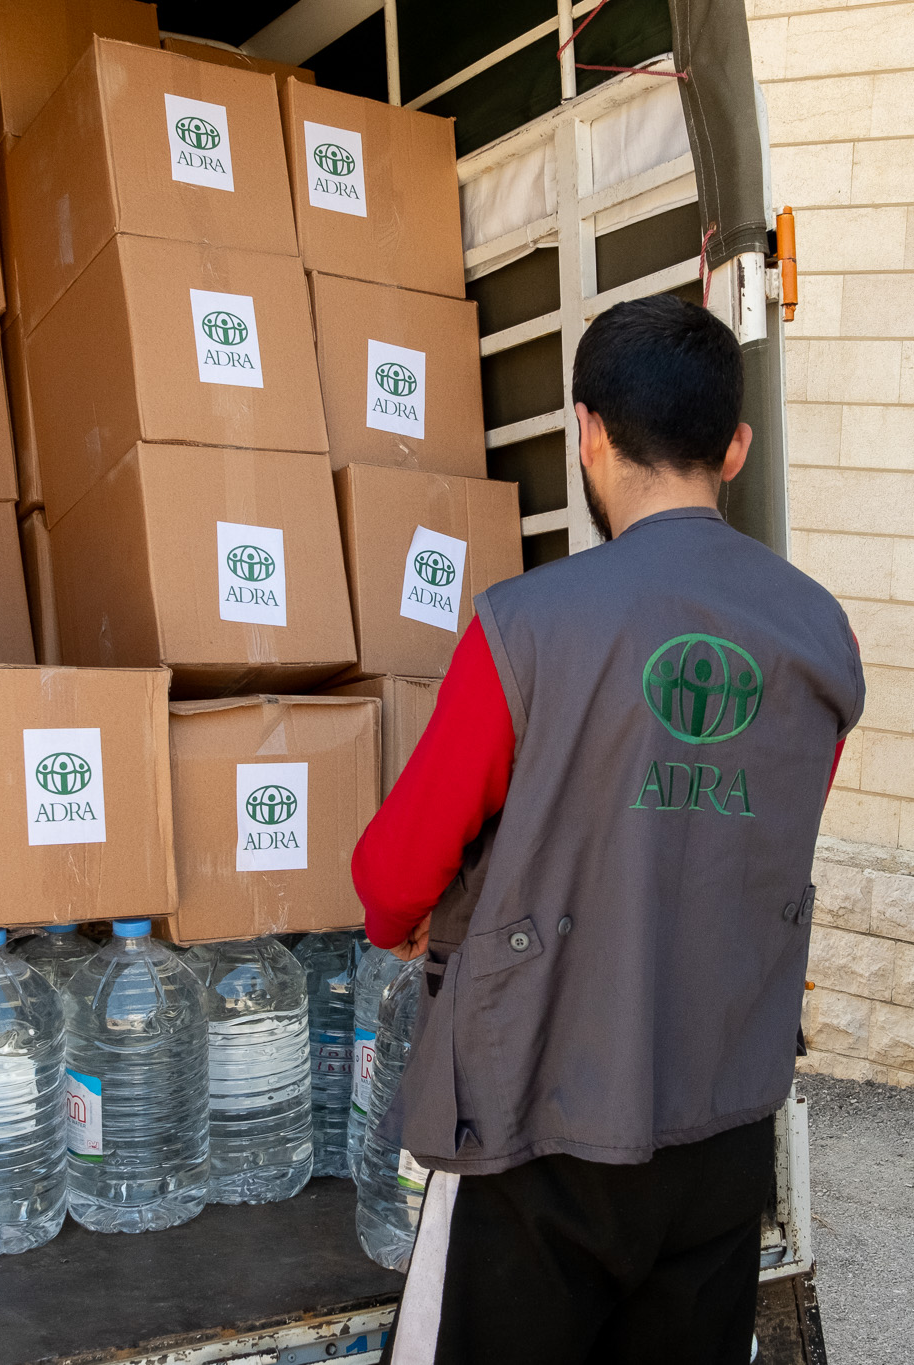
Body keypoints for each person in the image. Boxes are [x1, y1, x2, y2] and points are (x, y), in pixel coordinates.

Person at [352, 294, 866, 1365]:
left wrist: (405, 920)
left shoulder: (526, 625)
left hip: (535, 1127)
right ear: (734, 447)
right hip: (722, 1126)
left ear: (585, 431)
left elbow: (396, 871)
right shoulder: (819, 633)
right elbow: (768, 828)